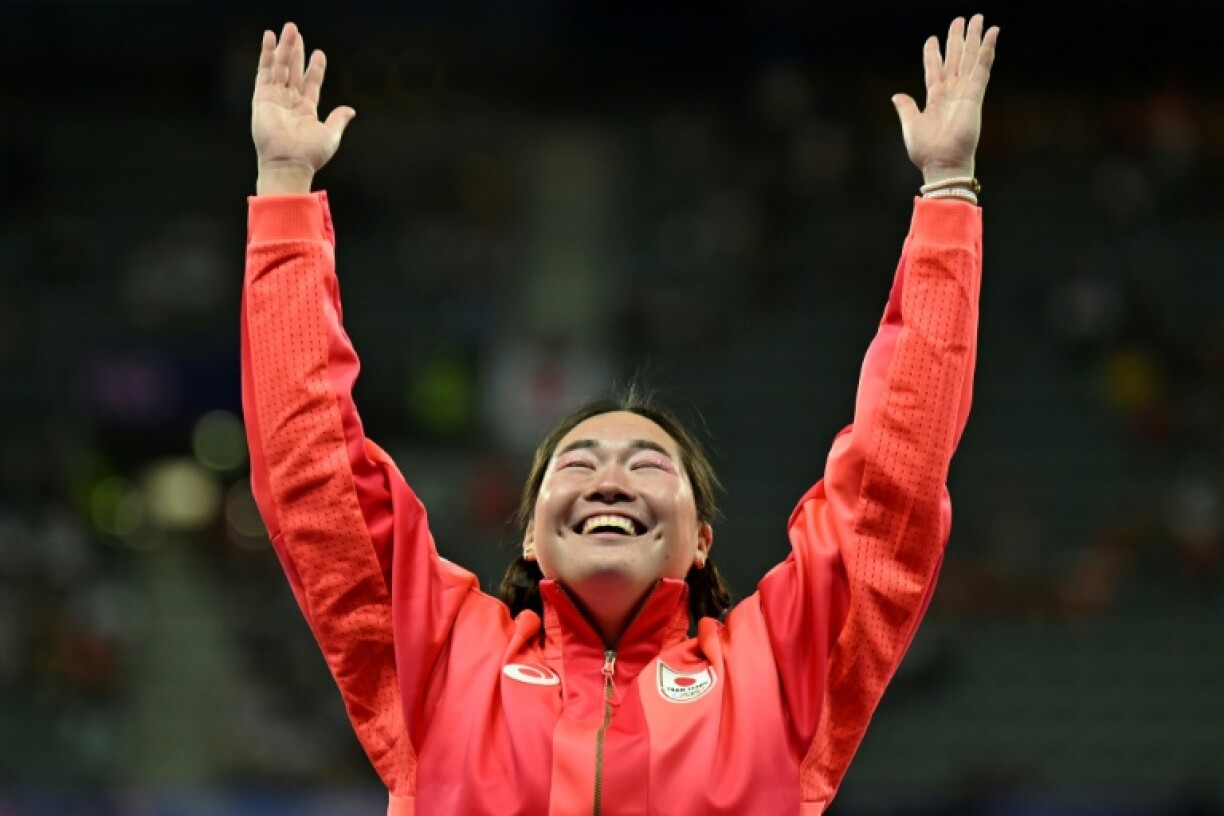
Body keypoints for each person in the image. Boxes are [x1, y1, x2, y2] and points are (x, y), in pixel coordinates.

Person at [243, 15, 998, 815]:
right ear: (530, 534)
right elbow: (314, 477)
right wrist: (284, 193)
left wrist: (948, 192)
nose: (608, 479)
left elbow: (892, 487)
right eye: (576, 463)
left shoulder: (777, 674)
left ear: (701, 540)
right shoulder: (438, 661)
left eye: (647, 466)